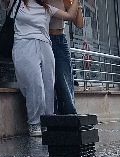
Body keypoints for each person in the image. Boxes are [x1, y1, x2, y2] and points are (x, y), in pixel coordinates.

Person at [13, 0, 82, 137]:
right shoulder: (17, 3)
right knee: (35, 84)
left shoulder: (47, 7)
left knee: (53, 86)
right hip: (27, 43)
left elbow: (73, 19)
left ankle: (52, 121)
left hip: (49, 43)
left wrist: (78, 3)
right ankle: (37, 122)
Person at [47, 0, 85, 115]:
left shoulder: (67, 1)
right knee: (47, 81)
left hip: (59, 40)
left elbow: (79, 24)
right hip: (43, 38)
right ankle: (51, 117)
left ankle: (69, 116)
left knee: (64, 81)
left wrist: (77, 5)